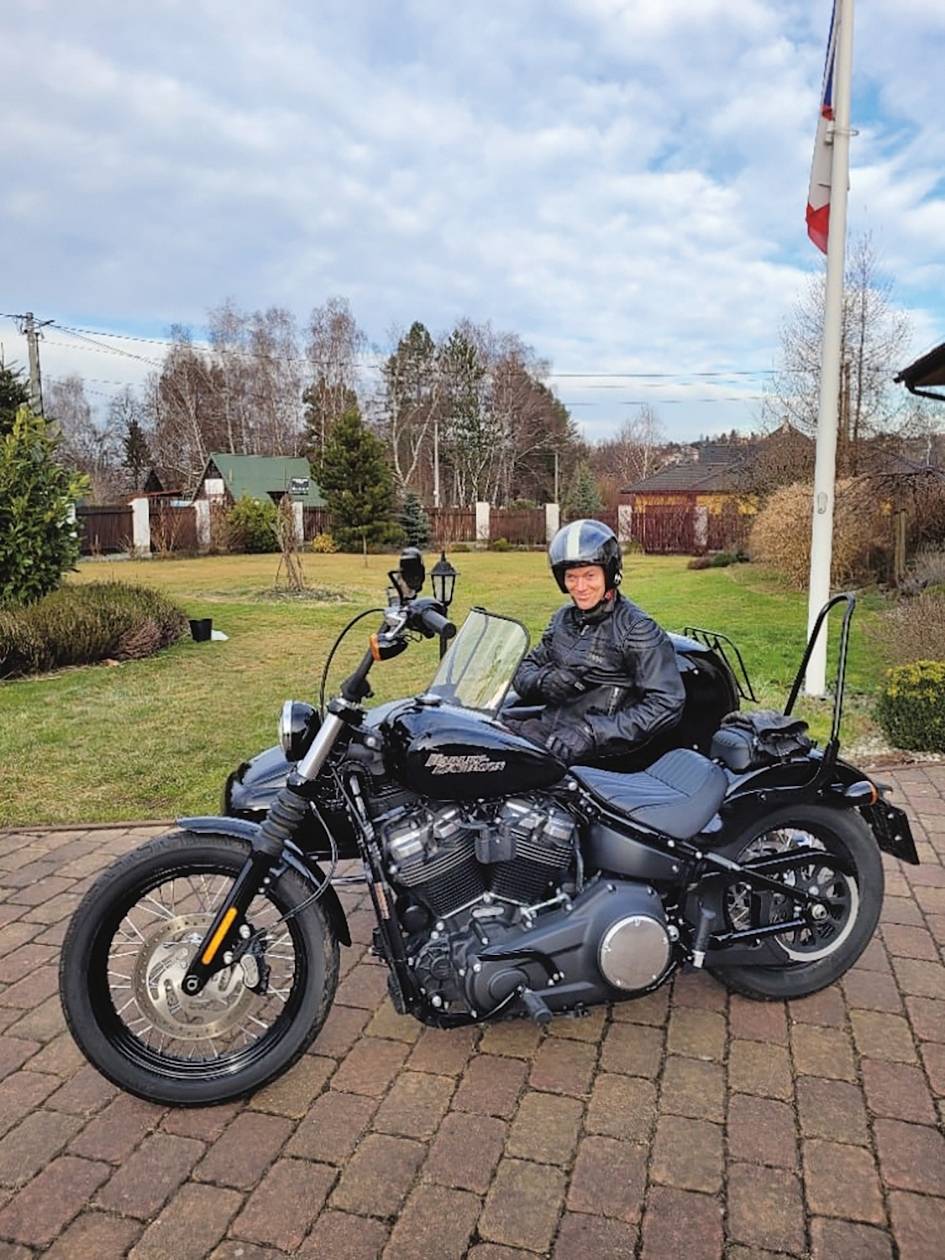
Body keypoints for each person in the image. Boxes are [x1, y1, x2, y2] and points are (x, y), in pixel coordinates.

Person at [505, 519, 685, 766]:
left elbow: (667, 703)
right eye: (571, 577)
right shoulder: (563, 620)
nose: (580, 587)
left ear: (609, 574)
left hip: (602, 753)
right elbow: (526, 666)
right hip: (552, 732)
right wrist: (543, 681)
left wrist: (592, 732)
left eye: (590, 575)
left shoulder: (636, 629)